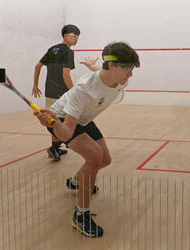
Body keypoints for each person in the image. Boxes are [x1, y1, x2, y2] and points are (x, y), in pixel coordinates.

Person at [34, 42, 140, 237]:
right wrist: (55, 124)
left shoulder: (119, 78)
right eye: (127, 69)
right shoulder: (84, 90)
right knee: (94, 156)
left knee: (105, 160)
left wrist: (92, 65)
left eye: (131, 69)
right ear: (113, 66)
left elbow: (100, 71)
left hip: (84, 118)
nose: (130, 75)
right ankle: (80, 216)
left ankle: (76, 181)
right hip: (63, 118)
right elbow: (65, 134)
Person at [32, 24, 80, 161]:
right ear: (65, 36)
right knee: (66, 121)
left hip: (49, 91)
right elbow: (66, 75)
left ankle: (55, 147)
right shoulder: (69, 52)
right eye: (74, 36)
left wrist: (35, 85)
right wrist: (74, 92)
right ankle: (54, 147)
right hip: (62, 94)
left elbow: (37, 66)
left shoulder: (52, 49)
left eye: (78, 37)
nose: (76, 39)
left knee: (53, 121)